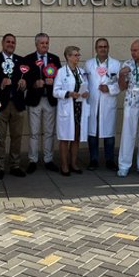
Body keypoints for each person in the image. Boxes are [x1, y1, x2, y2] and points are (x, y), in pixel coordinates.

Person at [0, 33, 28, 178]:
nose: (11, 44)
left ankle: (15, 165)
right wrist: (0, 84)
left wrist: (24, 84)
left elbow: (26, 79)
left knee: (17, 136)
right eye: (8, 42)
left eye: (13, 42)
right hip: (0, 104)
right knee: (0, 137)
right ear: (2, 43)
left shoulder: (21, 61)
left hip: (18, 104)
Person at [23, 33, 62, 173]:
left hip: (49, 100)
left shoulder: (54, 59)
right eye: (42, 43)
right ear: (36, 44)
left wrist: (54, 81)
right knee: (34, 132)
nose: (45, 45)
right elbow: (24, 80)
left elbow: (61, 79)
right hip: (34, 100)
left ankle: (48, 159)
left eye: (46, 43)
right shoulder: (28, 59)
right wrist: (34, 83)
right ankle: (32, 160)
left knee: (49, 132)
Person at [116, 39, 139, 177]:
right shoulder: (127, 64)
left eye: (135, 50)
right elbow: (122, 87)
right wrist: (121, 75)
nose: (133, 53)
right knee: (128, 134)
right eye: (131, 50)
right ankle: (124, 165)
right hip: (130, 103)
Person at [85, 38, 121, 171]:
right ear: (96, 49)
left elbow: (121, 84)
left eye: (105, 46)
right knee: (92, 133)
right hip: (93, 102)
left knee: (109, 133)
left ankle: (109, 160)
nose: (103, 49)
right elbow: (84, 82)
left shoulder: (116, 64)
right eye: (100, 46)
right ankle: (93, 159)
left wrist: (110, 89)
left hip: (108, 102)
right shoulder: (88, 64)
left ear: (108, 48)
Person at [53, 46, 89, 175]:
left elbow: (86, 87)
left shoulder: (81, 71)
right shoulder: (61, 72)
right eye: (75, 55)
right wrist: (68, 93)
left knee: (76, 137)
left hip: (79, 108)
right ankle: (64, 165)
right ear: (68, 56)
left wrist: (86, 93)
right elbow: (55, 91)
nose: (77, 57)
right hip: (67, 109)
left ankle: (73, 163)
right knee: (64, 138)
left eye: (78, 55)